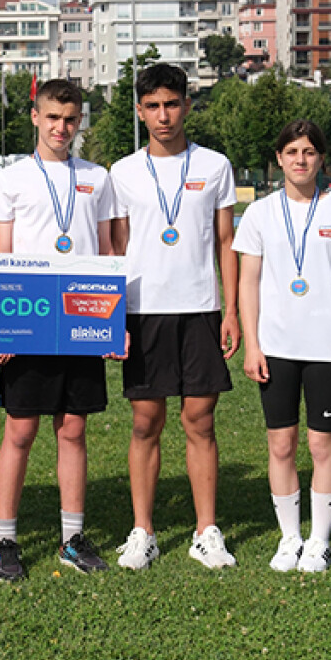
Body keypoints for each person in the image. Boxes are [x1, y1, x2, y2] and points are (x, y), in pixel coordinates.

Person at [0, 79, 119, 581]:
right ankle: (5, 540)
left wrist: (113, 324)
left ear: (79, 121)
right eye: (53, 118)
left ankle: (71, 538)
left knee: (73, 429)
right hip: (28, 318)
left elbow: (106, 252)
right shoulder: (11, 179)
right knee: (20, 430)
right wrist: (2, 328)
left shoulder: (97, 177)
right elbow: (3, 257)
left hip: (81, 317)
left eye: (70, 119)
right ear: (35, 117)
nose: (61, 128)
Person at [109, 63, 240, 571]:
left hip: (201, 309)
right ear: (140, 112)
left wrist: (230, 311)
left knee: (200, 420)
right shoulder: (122, 172)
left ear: (187, 105)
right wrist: (113, 318)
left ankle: (207, 531)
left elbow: (226, 242)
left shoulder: (215, 165)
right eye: (153, 106)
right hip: (143, 311)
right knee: (146, 421)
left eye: (171, 104)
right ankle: (143, 531)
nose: (163, 116)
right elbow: (116, 249)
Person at [233, 120, 331, 573]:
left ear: (321, 158)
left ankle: (319, 540)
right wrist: (252, 345)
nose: (300, 160)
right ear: (279, 159)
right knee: (281, 443)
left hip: (326, 348)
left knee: (322, 444)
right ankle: (290, 538)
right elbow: (247, 282)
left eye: (308, 152)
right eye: (292, 152)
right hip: (276, 347)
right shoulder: (260, 213)